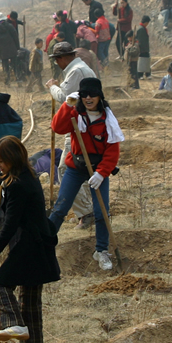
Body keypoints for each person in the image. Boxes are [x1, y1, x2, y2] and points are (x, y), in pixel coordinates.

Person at [0, 136, 60, 343]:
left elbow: (10, 223)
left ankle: (13, 324)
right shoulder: (27, 176)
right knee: (29, 296)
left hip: (29, 244)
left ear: (13, 159)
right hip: (39, 242)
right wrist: (4, 185)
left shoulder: (18, 185)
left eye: (2, 161)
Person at [48, 78, 123, 270]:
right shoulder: (75, 113)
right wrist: (66, 105)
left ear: (100, 96)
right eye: (85, 95)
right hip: (76, 168)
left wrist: (101, 173)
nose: (89, 98)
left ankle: (101, 251)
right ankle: (44, 244)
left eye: (93, 94)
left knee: (101, 212)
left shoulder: (108, 119)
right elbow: (57, 128)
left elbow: (112, 151)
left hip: (98, 170)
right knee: (60, 208)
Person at [45, 42, 97, 229]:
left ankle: (87, 213)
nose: (57, 63)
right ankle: (85, 211)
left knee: (66, 169)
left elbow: (64, 97)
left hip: (79, 128)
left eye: (57, 59)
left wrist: (52, 86)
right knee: (80, 170)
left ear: (62, 58)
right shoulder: (80, 68)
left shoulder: (76, 71)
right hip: (83, 125)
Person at [0, 13, 21, 85]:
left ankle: (7, 82)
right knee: (15, 66)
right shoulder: (10, 26)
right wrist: (17, 47)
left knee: (5, 67)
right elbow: (15, 37)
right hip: (12, 48)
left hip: (3, 51)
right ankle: (18, 81)